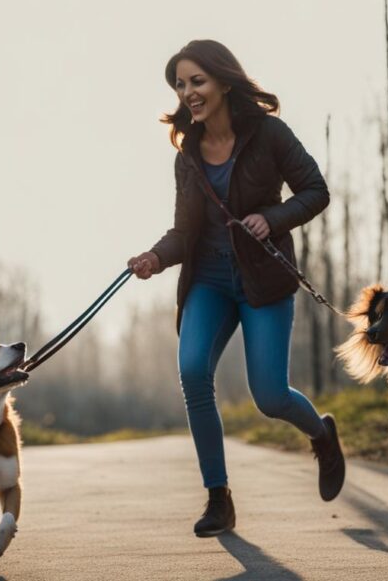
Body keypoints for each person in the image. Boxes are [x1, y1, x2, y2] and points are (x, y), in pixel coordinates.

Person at [127, 39, 345, 538]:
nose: (188, 94)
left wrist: (272, 218)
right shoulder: (187, 155)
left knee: (269, 396)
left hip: (263, 284)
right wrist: (156, 257)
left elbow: (316, 191)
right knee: (191, 369)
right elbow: (184, 231)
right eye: (181, 86)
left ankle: (322, 433)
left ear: (224, 81)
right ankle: (218, 497)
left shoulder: (269, 134)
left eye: (196, 82)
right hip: (208, 280)